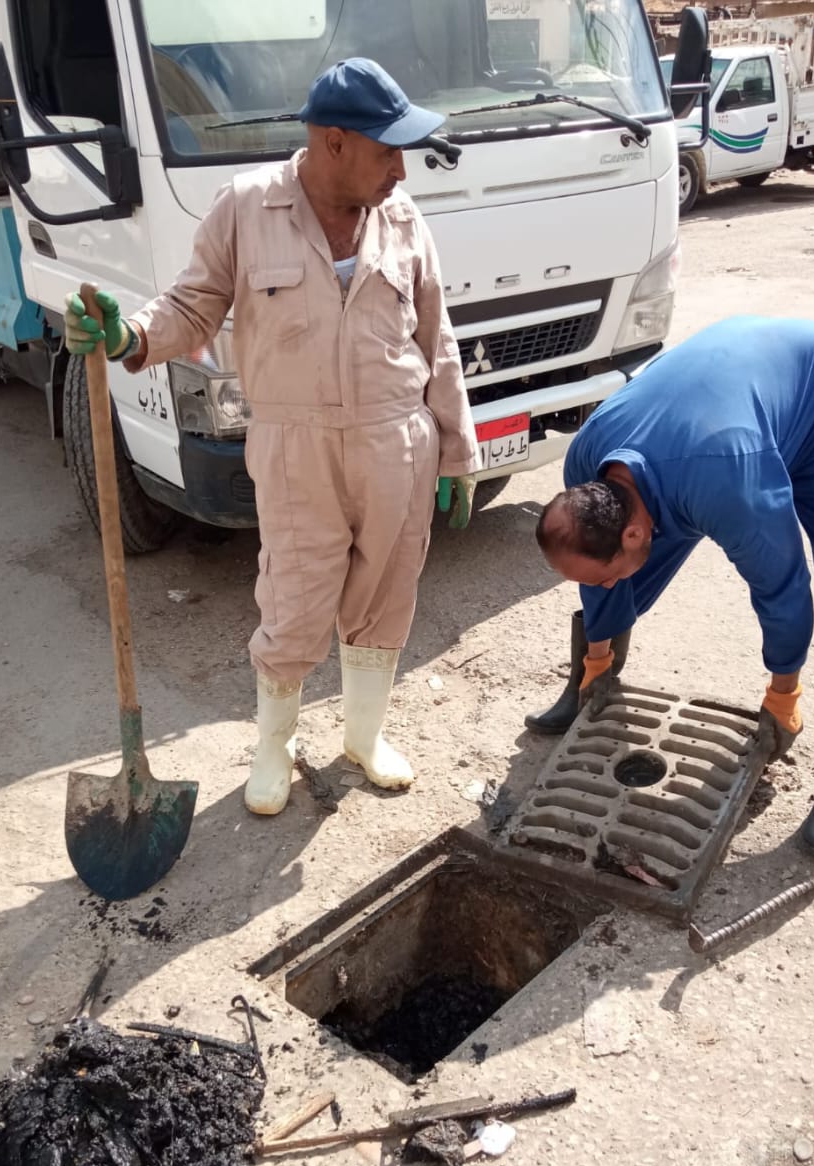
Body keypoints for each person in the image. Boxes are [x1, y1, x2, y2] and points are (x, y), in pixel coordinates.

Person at [63, 59, 481, 817]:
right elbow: (193, 307)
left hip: (398, 442)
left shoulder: (403, 216)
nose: (400, 165)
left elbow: (436, 334)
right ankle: (273, 746)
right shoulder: (246, 208)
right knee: (293, 598)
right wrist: (129, 335)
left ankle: (363, 735)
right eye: (387, 149)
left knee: (386, 593)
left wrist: (456, 450)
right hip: (297, 447)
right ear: (331, 143)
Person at [527, 315, 814, 860]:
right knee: (613, 572)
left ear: (634, 529)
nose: (600, 586)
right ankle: (592, 679)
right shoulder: (589, 460)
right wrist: (596, 659)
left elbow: (784, 590)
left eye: (603, 574)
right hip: (711, 430)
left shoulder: (729, 490)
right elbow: (601, 571)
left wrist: (783, 695)